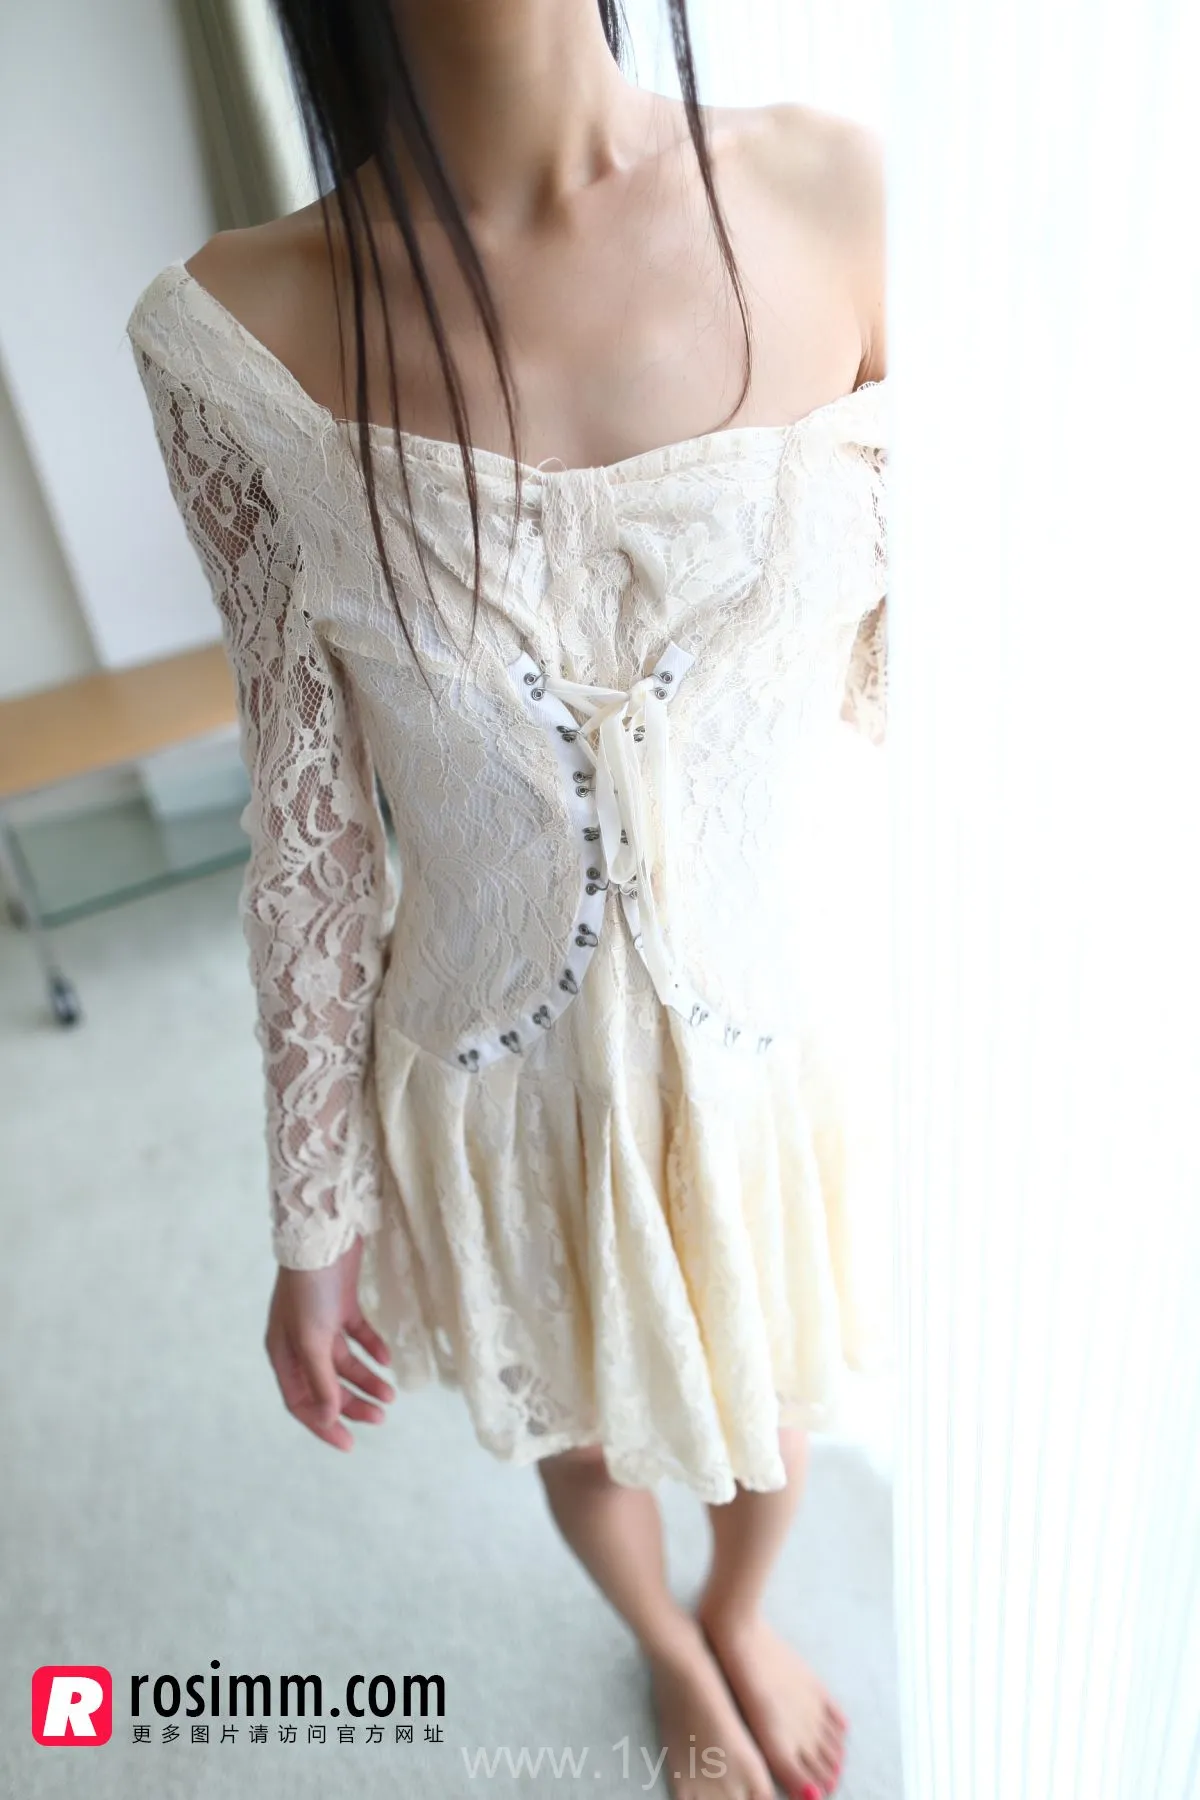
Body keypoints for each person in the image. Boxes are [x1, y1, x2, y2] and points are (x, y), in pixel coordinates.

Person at [126, 4, 888, 1797]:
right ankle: (670, 1646)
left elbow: (964, 662)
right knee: (586, 1431)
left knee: (771, 1398)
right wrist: (313, 1209)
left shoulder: (843, 197)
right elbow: (307, 816)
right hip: (491, 1072)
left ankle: (741, 1610)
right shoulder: (231, 332)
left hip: (763, 1040)